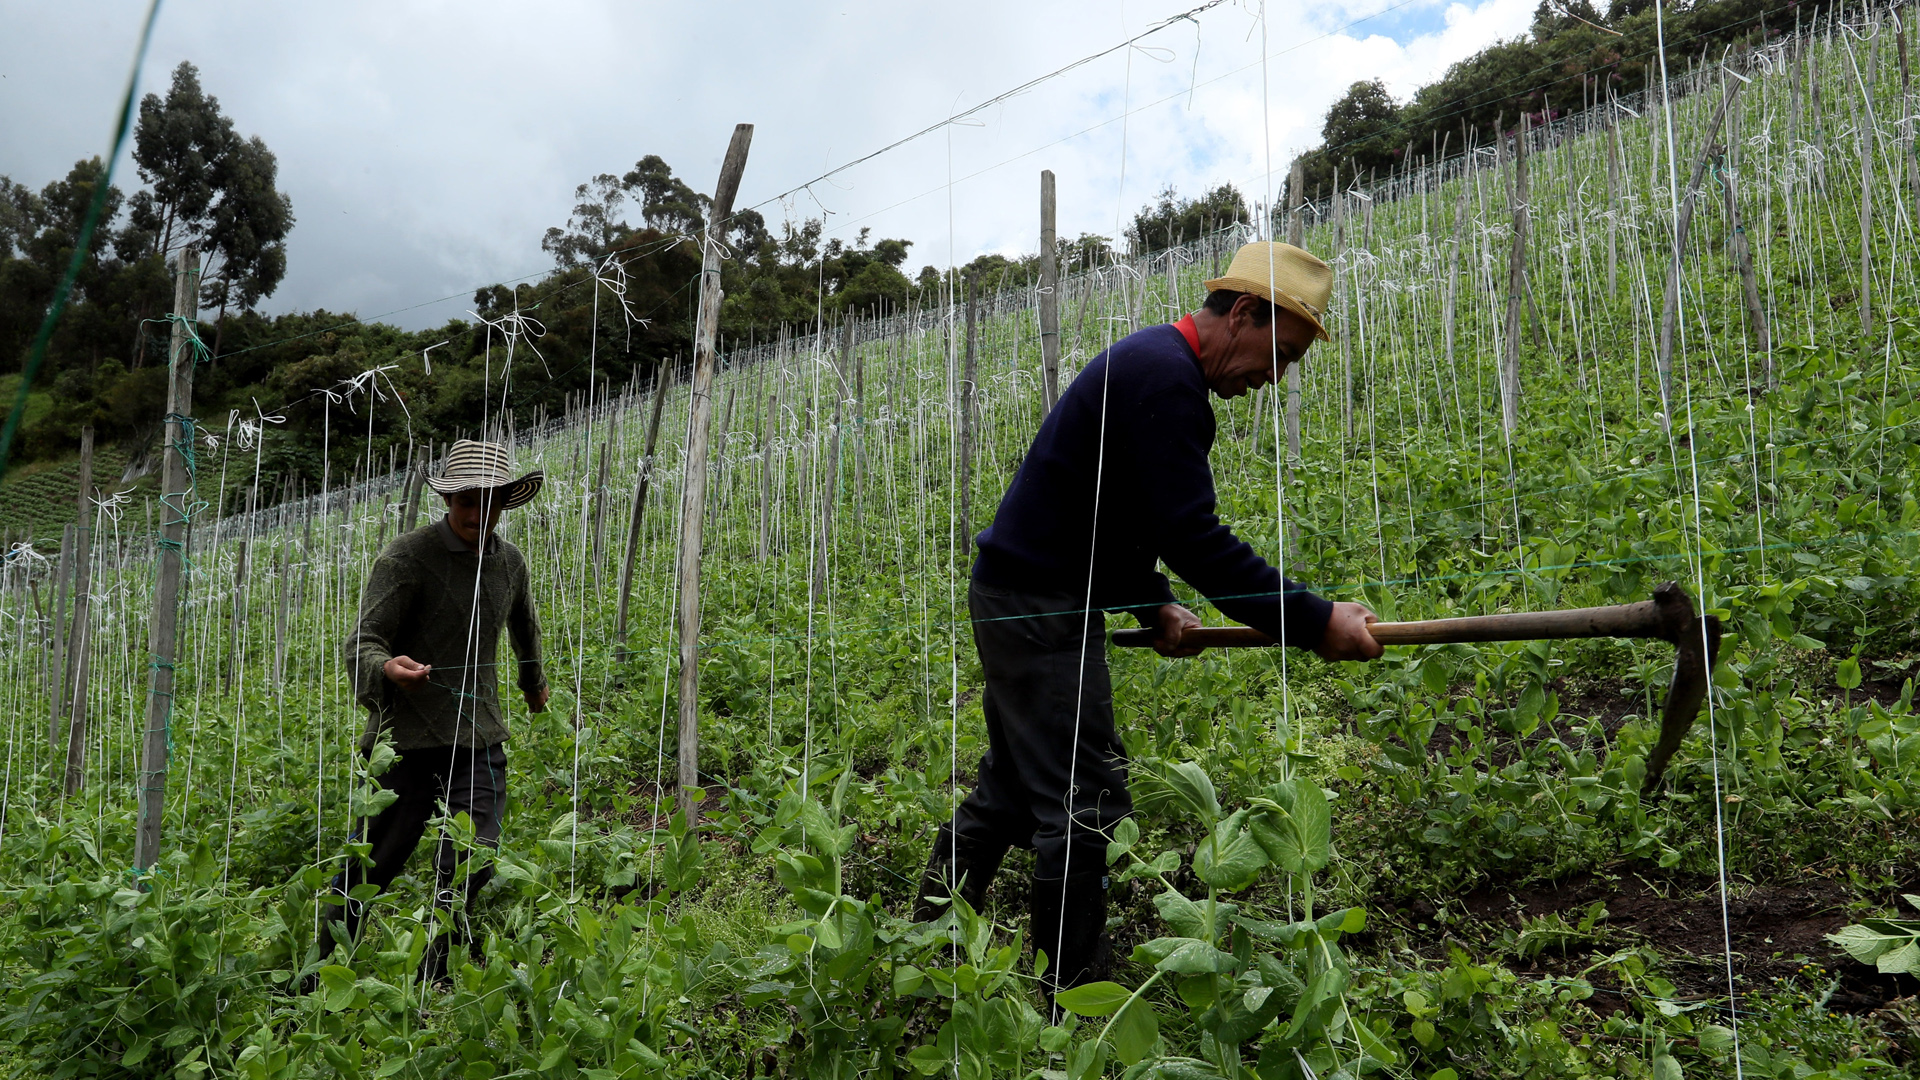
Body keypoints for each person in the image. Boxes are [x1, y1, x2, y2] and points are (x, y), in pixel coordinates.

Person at [912, 242, 1384, 996]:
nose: (1276, 376)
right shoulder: (1165, 378)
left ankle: (925, 943)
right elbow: (1192, 536)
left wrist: (1149, 600)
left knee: (1011, 792)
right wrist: (1315, 619)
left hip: (1027, 596)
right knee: (1085, 804)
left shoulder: (1151, 367)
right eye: (1282, 353)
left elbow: (1114, 515)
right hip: (1038, 609)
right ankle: (1070, 1002)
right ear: (1242, 314)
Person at [335, 439, 549, 985]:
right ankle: (321, 966)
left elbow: (526, 631)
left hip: (478, 734)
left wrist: (534, 686)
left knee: (474, 853)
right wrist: (387, 669)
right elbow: (363, 641)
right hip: (406, 737)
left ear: (506, 501)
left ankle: (438, 963)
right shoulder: (407, 558)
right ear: (449, 500)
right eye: (465, 502)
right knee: (376, 861)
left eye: (490, 501)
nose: (477, 514)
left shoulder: (511, 564)